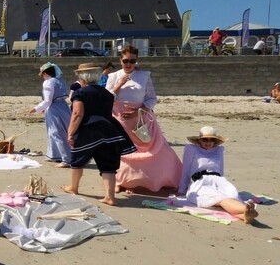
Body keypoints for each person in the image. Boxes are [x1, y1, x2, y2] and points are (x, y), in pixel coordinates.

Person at [105, 44, 182, 193]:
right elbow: (107, 98)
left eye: (132, 61)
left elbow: (152, 98)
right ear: (120, 60)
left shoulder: (144, 76)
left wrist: (139, 112)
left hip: (141, 119)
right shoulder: (113, 76)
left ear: (136, 61)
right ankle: (121, 180)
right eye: (126, 61)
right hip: (119, 119)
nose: (129, 64)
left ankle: (150, 179)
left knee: (149, 150)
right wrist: (119, 84)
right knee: (121, 151)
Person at [62, 63, 136, 205]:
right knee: (108, 164)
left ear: (82, 78)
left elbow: (78, 114)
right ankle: (110, 197)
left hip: (89, 129)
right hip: (109, 129)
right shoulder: (107, 93)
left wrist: (70, 133)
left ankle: (74, 187)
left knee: (78, 159)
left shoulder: (80, 92)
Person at [178, 126, 258, 224]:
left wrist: (224, 184)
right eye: (204, 139)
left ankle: (245, 215)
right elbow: (186, 169)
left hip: (219, 180)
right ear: (199, 140)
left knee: (229, 196)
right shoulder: (192, 149)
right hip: (200, 181)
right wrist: (182, 189)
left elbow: (220, 169)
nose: (208, 142)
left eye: (211, 139)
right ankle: (245, 209)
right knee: (218, 198)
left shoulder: (218, 150)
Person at [28, 62, 71, 168]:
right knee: (62, 131)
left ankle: (66, 159)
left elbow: (48, 100)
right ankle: (54, 155)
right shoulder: (61, 81)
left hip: (54, 108)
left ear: (46, 73)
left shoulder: (48, 82)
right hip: (63, 106)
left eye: (42, 74)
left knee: (56, 132)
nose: (42, 77)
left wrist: (36, 108)